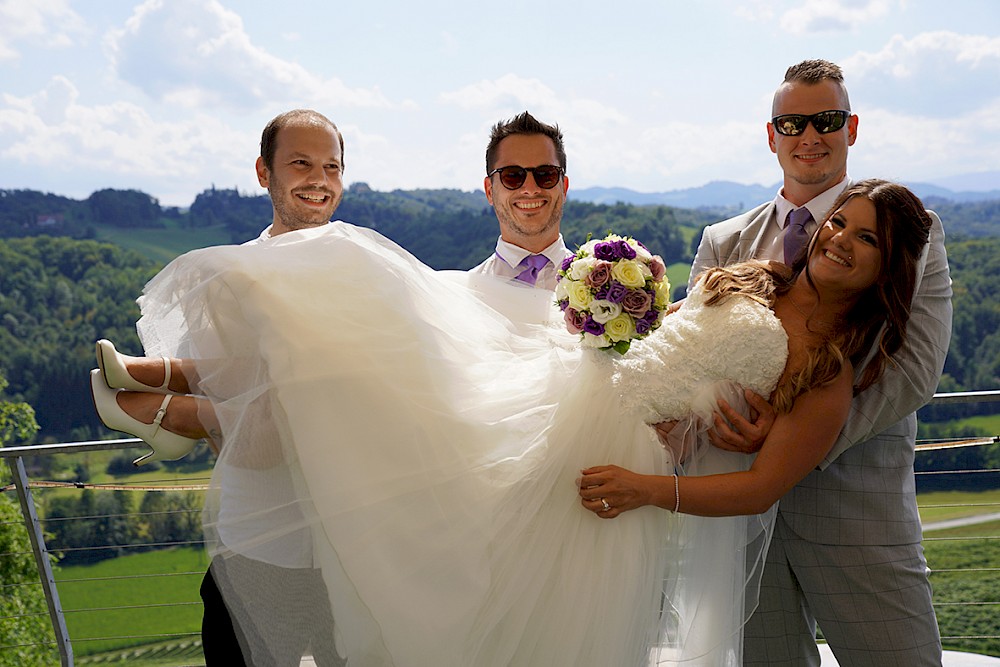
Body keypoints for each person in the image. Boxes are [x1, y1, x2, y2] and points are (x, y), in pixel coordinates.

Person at [92, 173, 932, 666]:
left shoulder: (826, 380)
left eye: (865, 240)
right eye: (838, 224)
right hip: (577, 381)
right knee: (382, 368)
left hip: (614, 447)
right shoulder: (757, 278)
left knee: (443, 494)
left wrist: (646, 485)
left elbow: (759, 487)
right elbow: (678, 349)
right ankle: (164, 385)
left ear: (890, 268)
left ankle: (181, 411)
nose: (839, 240)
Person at [687, 60, 953, 666]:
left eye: (826, 120)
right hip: (741, 529)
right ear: (772, 134)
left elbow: (914, 372)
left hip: (858, 513)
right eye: (792, 122)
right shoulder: (723, 242)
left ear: (851, 127)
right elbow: (696, 360)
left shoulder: (915, 230)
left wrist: (793, 444)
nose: (809, 136)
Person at [92, 108, 348, 666]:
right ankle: (165, 396)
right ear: (264, 172)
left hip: (350, 550)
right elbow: (242, 437)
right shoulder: (232, 278)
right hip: (259, 542)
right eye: (300, 163)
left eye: (332, 166)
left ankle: (164, 404)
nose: (319, 180)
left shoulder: (361, 273)